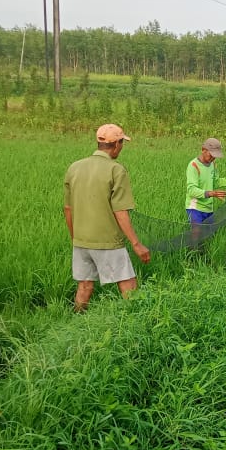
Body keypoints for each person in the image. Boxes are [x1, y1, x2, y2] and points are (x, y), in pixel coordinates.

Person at [64, 124, 151, 312]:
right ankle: (135, 322)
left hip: (81, 240)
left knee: (85, 286)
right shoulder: (116, 170)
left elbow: (68, 208)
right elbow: (120, 211)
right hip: (108, 241)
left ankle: (76, 319)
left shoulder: (74, 167)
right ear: (117, 144)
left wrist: (75, 238)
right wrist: (137, 244)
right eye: (122, 143)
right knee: (128, 285)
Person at [185, 137, 226, 236]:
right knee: (196, 233)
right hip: (195, 208)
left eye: (215, 156)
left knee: (208, 234)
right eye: (211, 155)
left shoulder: (213, 164)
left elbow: (215, 182)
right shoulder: (194, 166)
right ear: (203, 150)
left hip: (208, 207)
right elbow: (191, 190)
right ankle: (193, 251)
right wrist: (211, 193)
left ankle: (205, 251)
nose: (213, 158)